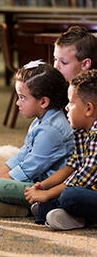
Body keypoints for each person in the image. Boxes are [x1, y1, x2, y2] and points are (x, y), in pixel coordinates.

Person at [0, 61, 74, 218]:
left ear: (43, 102)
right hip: (36, 179)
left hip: (47, 188)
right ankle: (17, 209)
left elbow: (27, 169)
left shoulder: (51, 130)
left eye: (22, 98)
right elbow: (20, 156)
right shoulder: (40, 120)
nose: (17, 103)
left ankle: (27, 206)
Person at [25, 69, 97, 230]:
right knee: (53, 200)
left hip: (88, 189)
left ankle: (82, 218)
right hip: (90, 190)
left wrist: (47, 194)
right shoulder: (80, 131)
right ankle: (68, 214)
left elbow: (82, 179)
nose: (66, 107)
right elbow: (71, 167)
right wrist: (43, 186)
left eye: (71, 103)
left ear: (88, 109)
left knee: (70, 196)